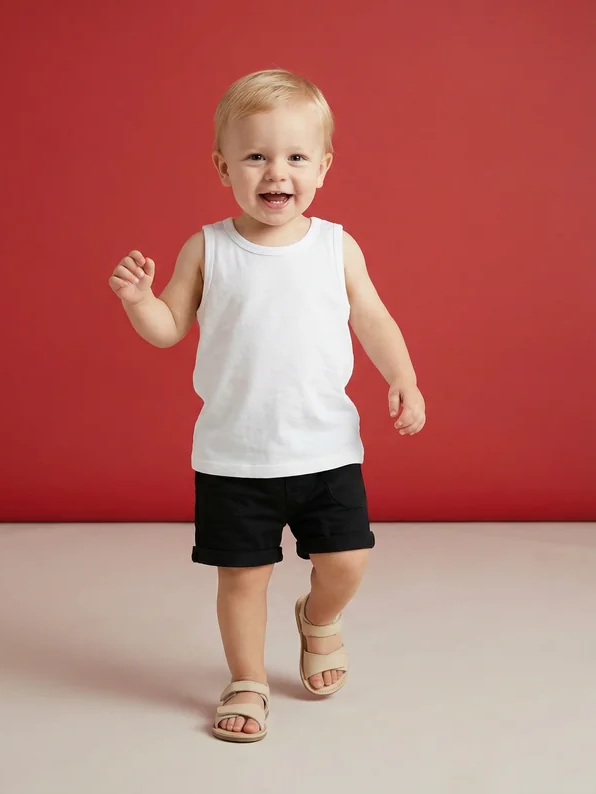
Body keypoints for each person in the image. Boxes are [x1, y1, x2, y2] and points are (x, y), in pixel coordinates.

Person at [108, 69, 426, 743]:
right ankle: (246, 679)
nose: (275, 171)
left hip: (325, 448)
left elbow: (372, 316)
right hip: (234, 454)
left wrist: (404, 377)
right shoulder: (209, 248)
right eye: (255, 155)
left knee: (347, 561)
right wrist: (141, 303)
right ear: (223, 166)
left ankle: (318, 617)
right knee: (242, 580)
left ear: (323, 167)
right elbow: (169, 328)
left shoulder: (336, 246)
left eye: (295, 157)